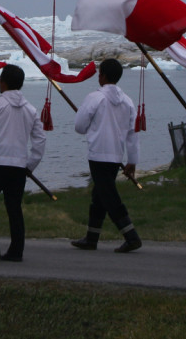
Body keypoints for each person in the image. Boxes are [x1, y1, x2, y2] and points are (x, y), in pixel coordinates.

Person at [0, 64, 46, 262]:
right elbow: (40, 140)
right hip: (18, 166)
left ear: (2, 82)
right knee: (14, 208)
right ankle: (16, 251)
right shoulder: (30, 109)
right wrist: (30, 165)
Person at [70, 59, 143, 253]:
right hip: (116, 155)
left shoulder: (95, 98)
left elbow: (79, 127)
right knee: (99, 197)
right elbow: (132, 133)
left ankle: (131, 235)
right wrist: (132, 160)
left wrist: (91, 123)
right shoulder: (127, 100)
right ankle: (91, 237)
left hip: (98, 154)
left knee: (109, 197)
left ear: (102, 75)